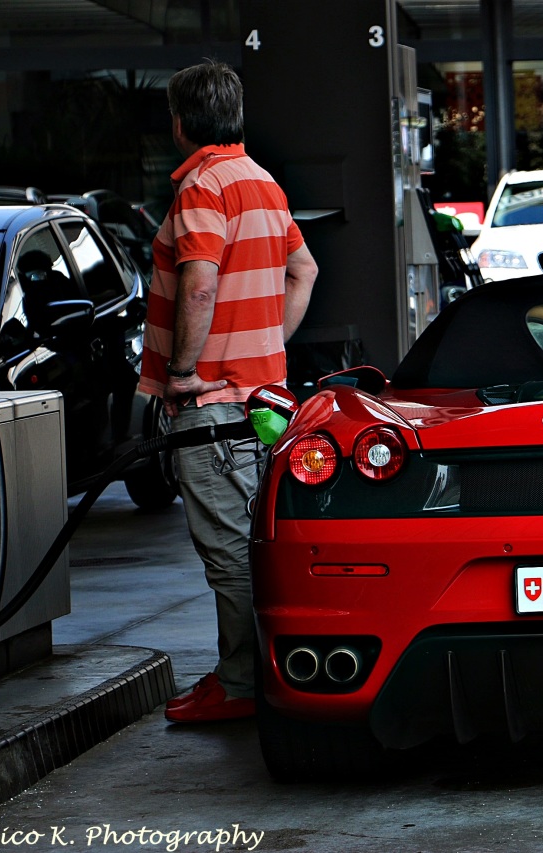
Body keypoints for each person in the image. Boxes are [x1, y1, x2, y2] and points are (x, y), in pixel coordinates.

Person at [137, 59, 317, 723]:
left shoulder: (203, 189)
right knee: (252, 542)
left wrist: (184, 370)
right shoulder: (261, 182)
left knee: (229, 554)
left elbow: (202, 282)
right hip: (262, 402)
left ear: (181, 123)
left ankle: (243, 684)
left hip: (212, 407)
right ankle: (247, 674)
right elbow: (305, 270)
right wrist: (267, 341)